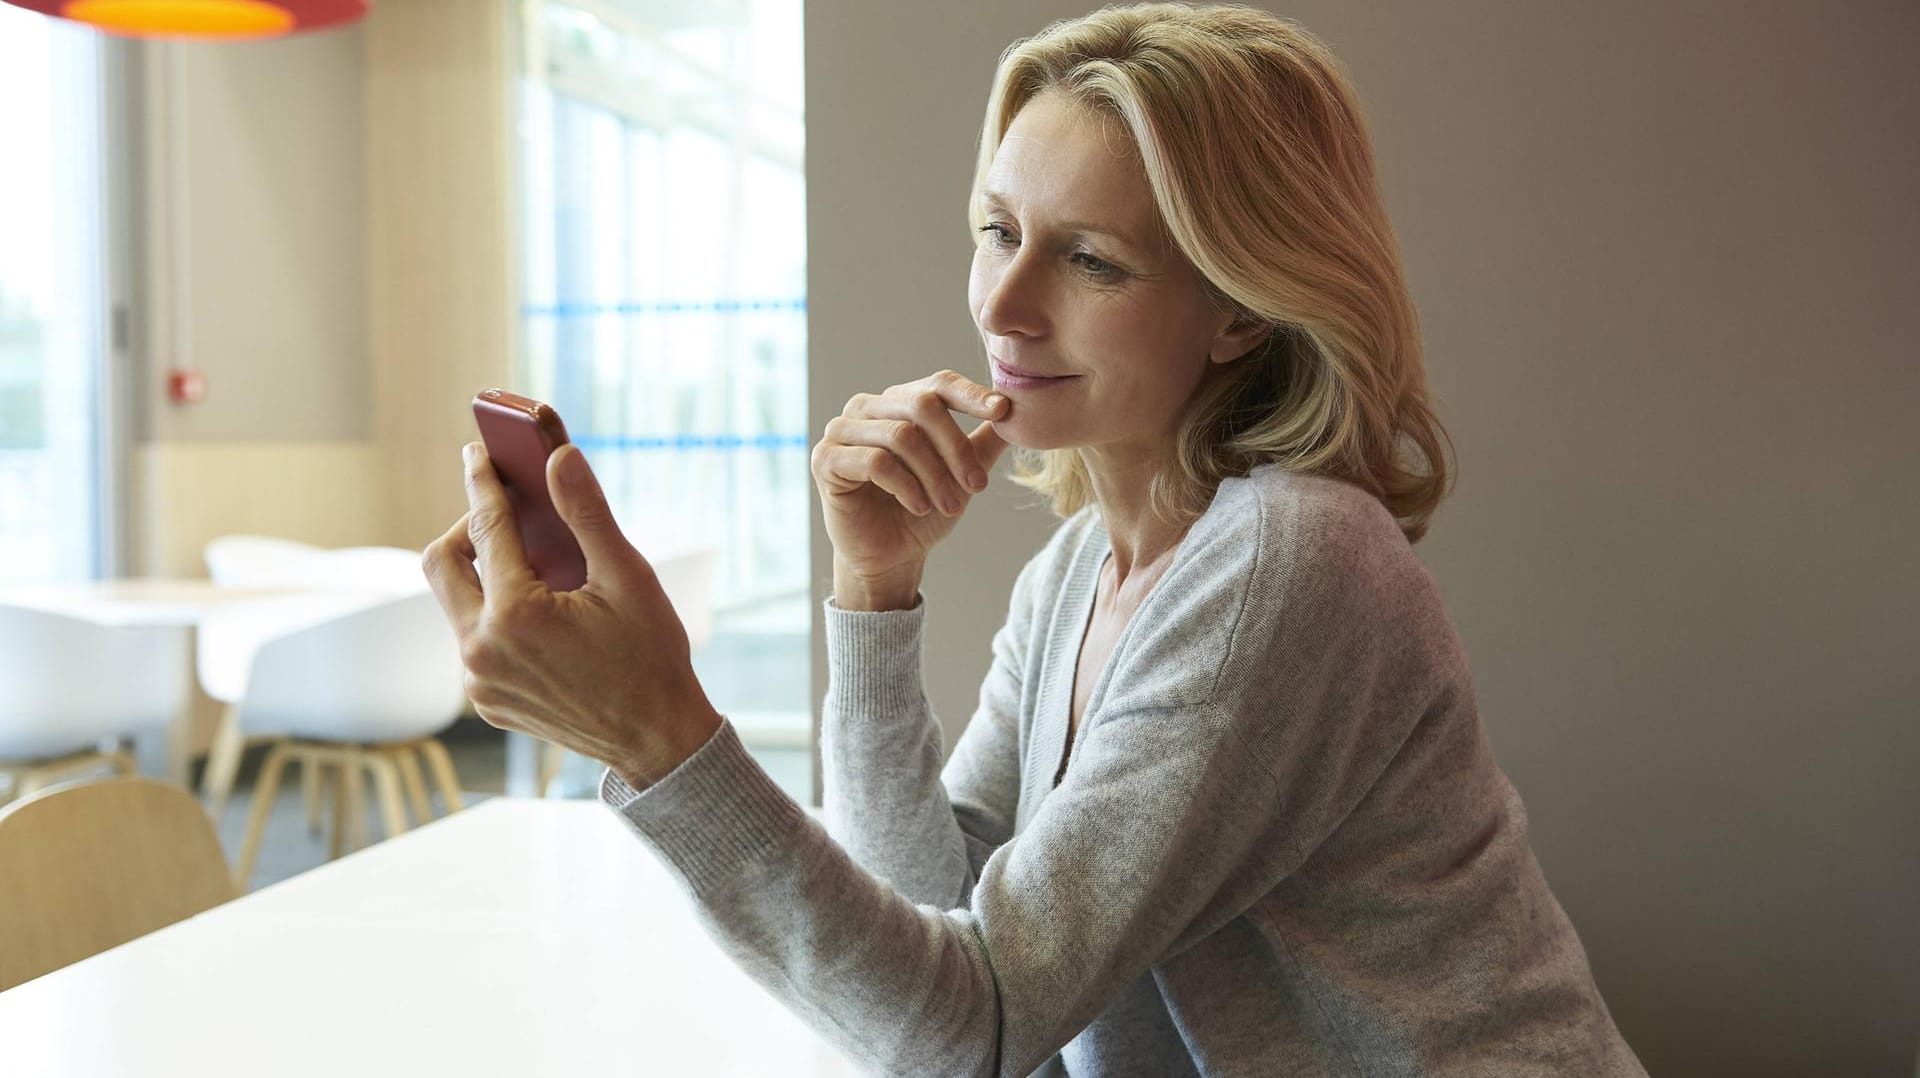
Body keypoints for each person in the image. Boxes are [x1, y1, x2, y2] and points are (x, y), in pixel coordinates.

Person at [422, 3, 1648, 1074]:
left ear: (1236, 308)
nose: (1003, 307)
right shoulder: (1080, 572)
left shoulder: (1294, 561)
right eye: (999, 230)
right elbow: (930, 919)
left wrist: (658, 732)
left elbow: (970, 1033)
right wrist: (873, 591)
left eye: (1092, 260)